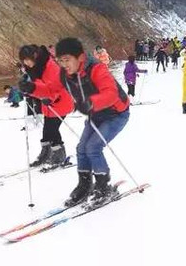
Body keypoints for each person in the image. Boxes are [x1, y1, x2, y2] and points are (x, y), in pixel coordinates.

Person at [54, 38, 130, 206]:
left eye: (67, 60)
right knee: (81, 148)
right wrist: (33, 90)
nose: (63, 64)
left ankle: (103, 186)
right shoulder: (66, 74)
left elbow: (111, 94)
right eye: (60, 60)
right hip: (96, 114)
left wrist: (91, 103)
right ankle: (85, 184)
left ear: (80, 57)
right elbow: (53, 88)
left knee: (93, 147)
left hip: (115, 114)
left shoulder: (97, 69)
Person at [18, 45, 74, 167]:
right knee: (47, 131)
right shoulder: (35, 68)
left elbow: (56, 88)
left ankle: (58, 154)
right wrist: (28, 88)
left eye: (28, 59)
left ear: (35, 56)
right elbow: (39, 86)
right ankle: (47, 153)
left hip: (61, 102)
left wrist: (46, 96)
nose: (26, 63)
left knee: (52, 129)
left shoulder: (50, 67)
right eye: (24, 61)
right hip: (49, 105)